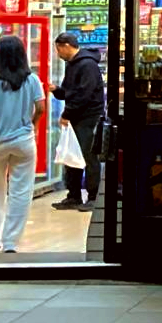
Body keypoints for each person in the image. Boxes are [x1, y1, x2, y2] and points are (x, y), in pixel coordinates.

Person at [0, 34, 46, 253]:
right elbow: (41, 108)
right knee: (21, 192)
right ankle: (10, 241)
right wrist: (32, 125)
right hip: (24, 142)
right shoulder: (32, 80)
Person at [51, 32, 105, 211]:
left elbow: (84, 95)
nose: (57, 53)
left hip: (88, 117)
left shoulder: (87, 65)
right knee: (71, 157)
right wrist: (56, 91)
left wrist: (67, 113)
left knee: (89, 157)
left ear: (66, 46)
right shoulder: (72, 65)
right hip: (76, 117)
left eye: (58, 48)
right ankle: (73, 196)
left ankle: (93, 197)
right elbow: (70, 92)